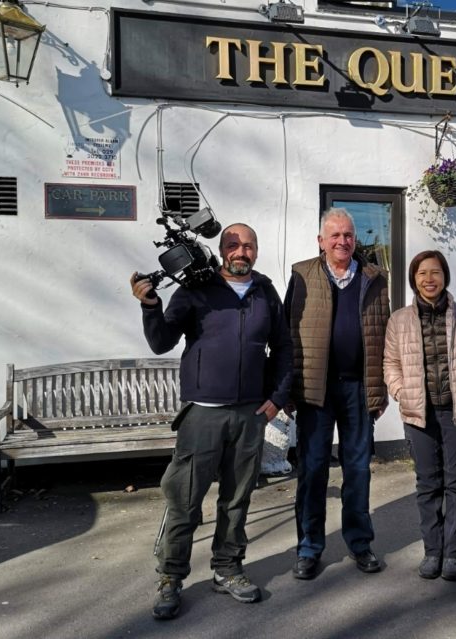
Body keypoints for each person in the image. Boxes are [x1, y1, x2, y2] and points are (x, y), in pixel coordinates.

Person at [130, 223, 292, 620]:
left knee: (237, 500)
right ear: (222, 250)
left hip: (249, 414)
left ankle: (227, 568)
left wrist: (276, 399)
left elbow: (285, 347)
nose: (241, 251)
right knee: (185, 499)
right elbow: (162, 341)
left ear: (256, 251)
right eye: (233, 245)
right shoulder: (196, 289)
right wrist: (150, 305)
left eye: (248, 246)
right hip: (202, 412)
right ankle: (171, 577)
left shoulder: (265, 292)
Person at [284, 207, 390, 580]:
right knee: (312, 471)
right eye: (335, 236)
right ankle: (309, 548)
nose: (342, 241)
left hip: (359, 390)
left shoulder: (375, 278)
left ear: (354, 240)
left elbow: (385, 337)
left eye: (348, 235)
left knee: (358, 470)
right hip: (315, 391)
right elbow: (287, 335)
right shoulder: (301, 275)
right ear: (321, 241)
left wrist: (380, 391)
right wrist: (289, 389)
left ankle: (360, 543)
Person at [384, 250, 456, 581]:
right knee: (428, 485)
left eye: (436, 272)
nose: (429, 279)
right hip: (420, 416)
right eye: (421, 273)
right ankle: (432, 551)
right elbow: (390, 363)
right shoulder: (399, 319)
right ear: (413, 279)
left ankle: (454, 553)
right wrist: (400, 391)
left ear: (445, 276)